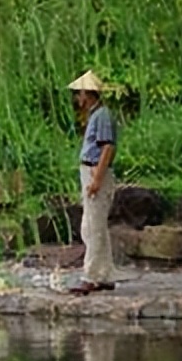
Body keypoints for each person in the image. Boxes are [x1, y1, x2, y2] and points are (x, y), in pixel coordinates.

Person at [68, 70, 117, 295]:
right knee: (95, 226)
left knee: (92, 226)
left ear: (88, 94)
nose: (78, 99)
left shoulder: (103, 115)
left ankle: (91, 275)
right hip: (90, 170)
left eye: (79, 94)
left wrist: (97, 179)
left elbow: (107, 147)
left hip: (95, 171)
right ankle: (104, 274)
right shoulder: (96, 115)